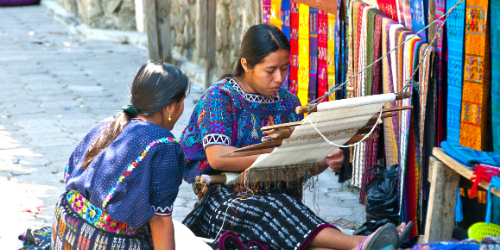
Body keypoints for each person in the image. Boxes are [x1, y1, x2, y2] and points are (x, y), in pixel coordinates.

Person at [180, 24, 408, 250]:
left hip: (283, 202)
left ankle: (368, 246)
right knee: (274, 209)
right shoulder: (221, 98)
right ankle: (362, 243)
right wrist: (277, 152)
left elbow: (302, 165)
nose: (279, 78)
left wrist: (324, 159)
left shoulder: (289, 103)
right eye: (270, 71)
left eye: (284, 69)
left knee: (296, 228)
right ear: (246, 64)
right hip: (228, 202)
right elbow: (218, 158)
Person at [51, 61, 189, 250]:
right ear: (170, 107)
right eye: (182, 102)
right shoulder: (165, 145)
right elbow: (160, 221)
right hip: (98, 239)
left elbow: (70, 173)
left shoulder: (109, 124)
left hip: (66, 226)